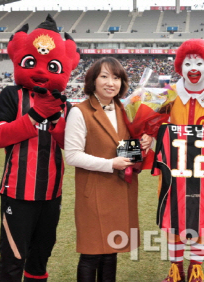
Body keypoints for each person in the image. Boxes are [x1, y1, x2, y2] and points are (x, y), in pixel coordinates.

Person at [0, 15, 79, 282]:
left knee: (40, 258)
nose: (42, 71)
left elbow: (70, 147)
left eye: (52, 65)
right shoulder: (11, 95)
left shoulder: (65, 104)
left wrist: (54, 120)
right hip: (17, 193)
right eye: (33, 62)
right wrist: (35, 116)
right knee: (12, 258)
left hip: (52, 194)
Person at [64, 57, 151, 282]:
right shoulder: (79, 112)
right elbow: (72, 155)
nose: (111, 82)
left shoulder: (127, 110)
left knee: (111, 251)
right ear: (92, 81)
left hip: (120, 190)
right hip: (93, 192)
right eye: (104, 76)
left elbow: (129, 150)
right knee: (91, 252)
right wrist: (110, 164)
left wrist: (146, 143)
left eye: (116, 77)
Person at [152, 38, 204, 282]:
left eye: (199, 62)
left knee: (203, 218)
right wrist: (143, 139)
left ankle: (196, 267)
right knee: (172, 218)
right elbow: (148, 125)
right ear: (179, 67)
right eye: (187, 63)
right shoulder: (168, 95)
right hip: (173, 173)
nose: (193, 68)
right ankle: (176, 269)